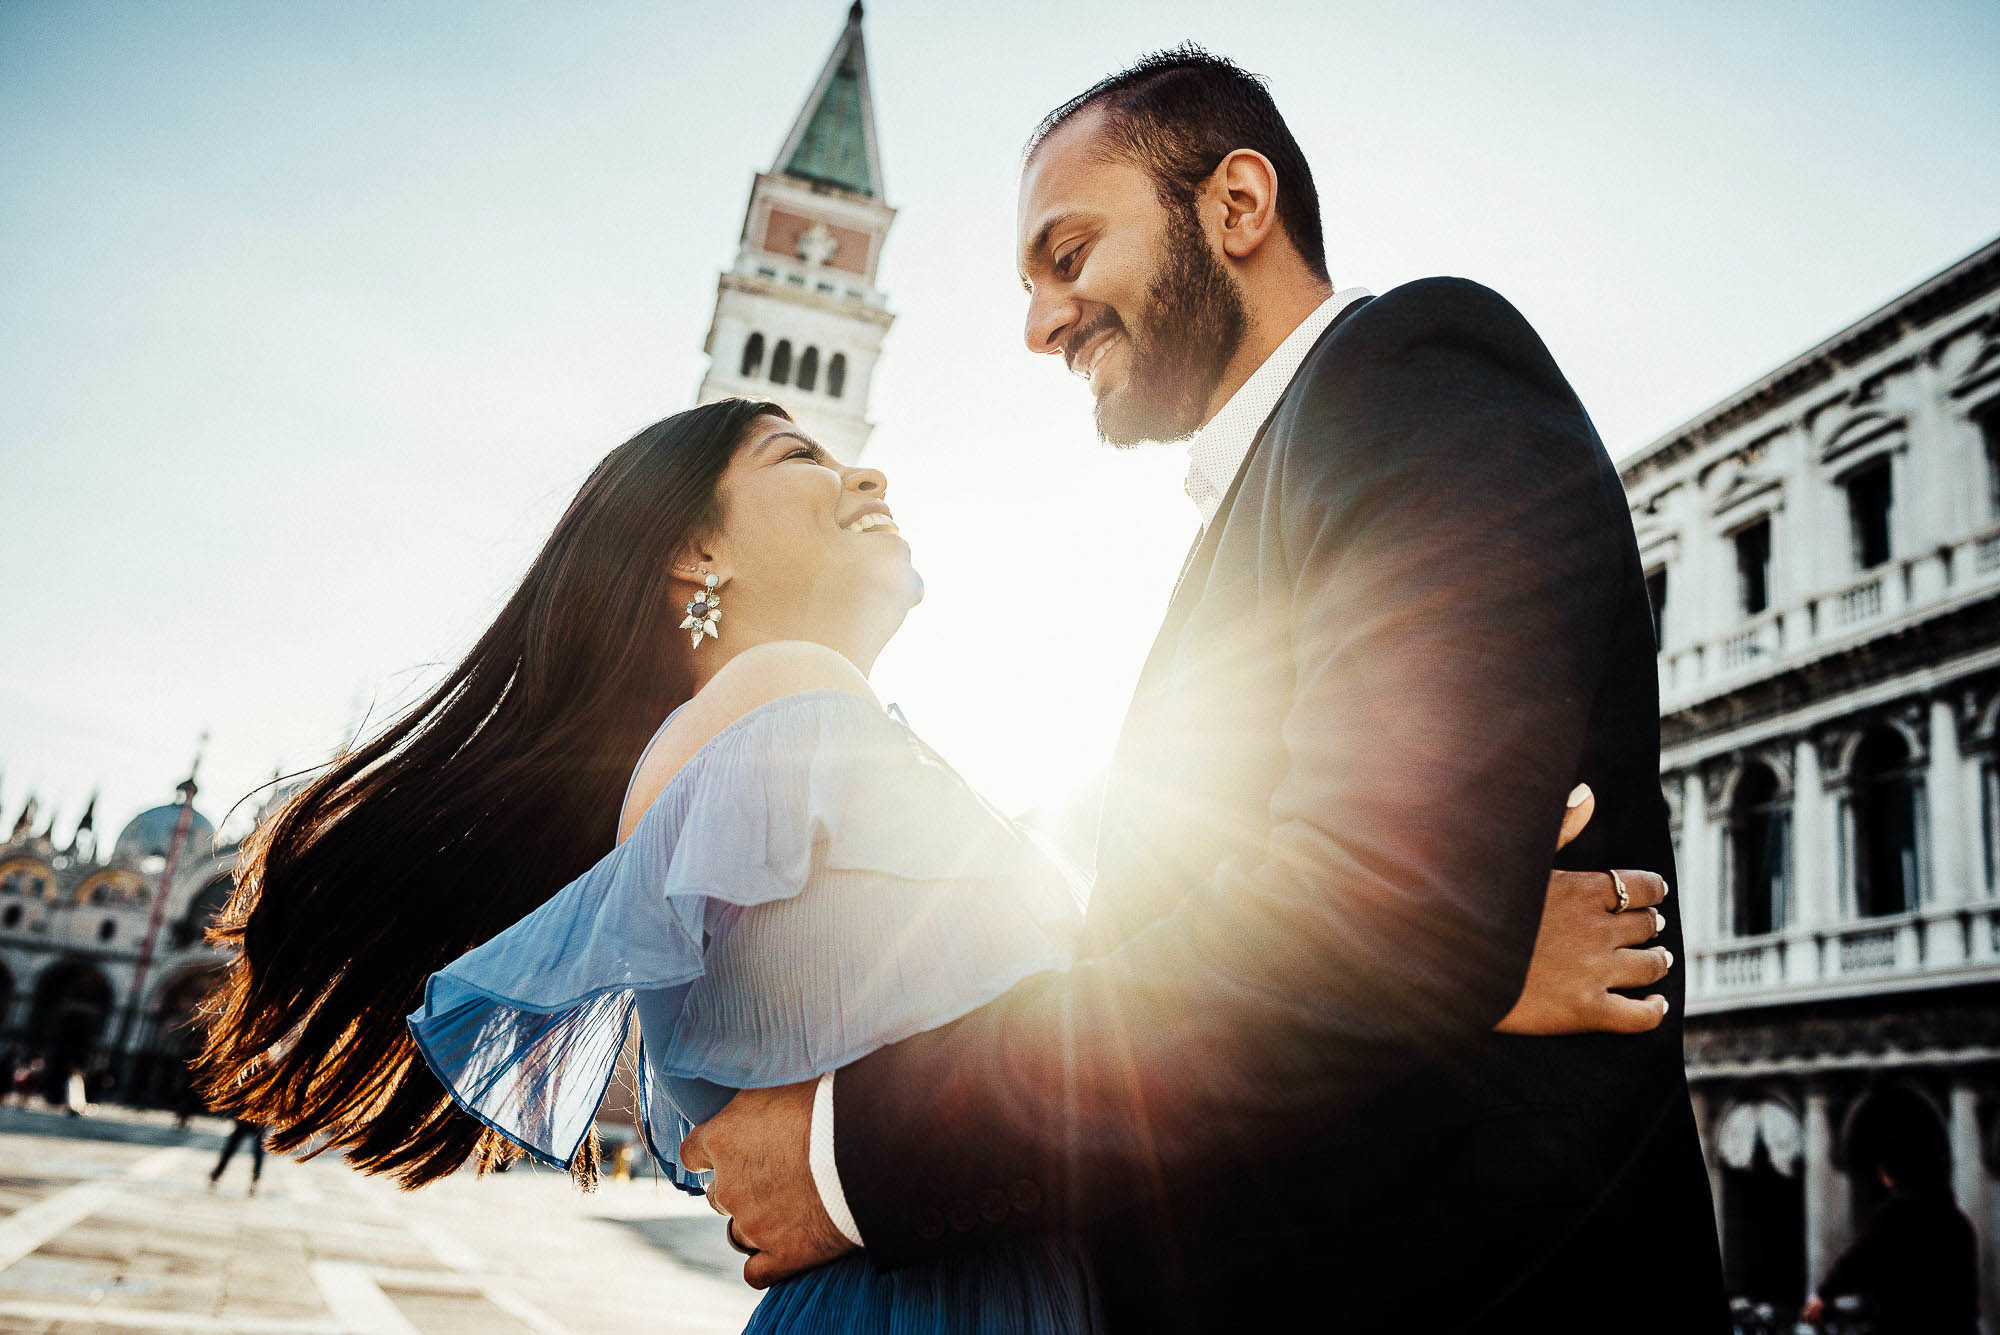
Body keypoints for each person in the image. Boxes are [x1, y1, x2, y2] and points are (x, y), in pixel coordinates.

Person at [199, 397, 1670, 1332]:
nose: (866, 469)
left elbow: (1086, 1003)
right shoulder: (783, 704)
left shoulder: (790, 731)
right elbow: (1106, 1023)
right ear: (687, 559)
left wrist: (1407, 883)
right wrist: (1432, 932)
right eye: (800, 455)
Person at [681, 48, 1728, 1333]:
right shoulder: (1261, 500)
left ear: (1236, 206)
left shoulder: (1418, 373)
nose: (1036, 323)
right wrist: (1456, 961)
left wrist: (854, 1158)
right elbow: (1345, 923)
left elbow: (1369, 909)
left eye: (1066, 256)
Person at [1802, 1140, 1979, 1334]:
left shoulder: (1896, 1215)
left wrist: (1823, 1294)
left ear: (1891, 1175)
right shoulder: (1959, 1221)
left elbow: (1858, 1260)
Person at [209, 1117, 267, 1195]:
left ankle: (255, 1180)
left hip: (256, 1123)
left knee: (257, 1153)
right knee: (231, 1150)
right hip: (246, 1121)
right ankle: (216, 1175)